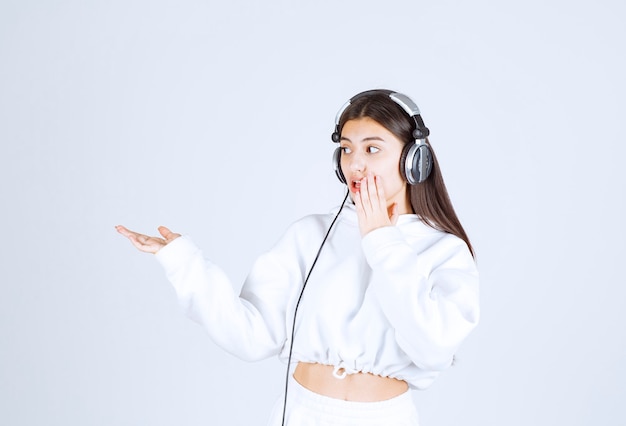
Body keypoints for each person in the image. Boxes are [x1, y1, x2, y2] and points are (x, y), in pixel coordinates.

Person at [116, 89, 479, 425]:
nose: (356, 164)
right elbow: (253, 335)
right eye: (347, 149)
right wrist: (184, 263)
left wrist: (382, 240)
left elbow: (432, 348)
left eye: (372, 149)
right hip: (303, 414)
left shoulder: (442, 250)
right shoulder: (311, 236)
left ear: (415, 159)